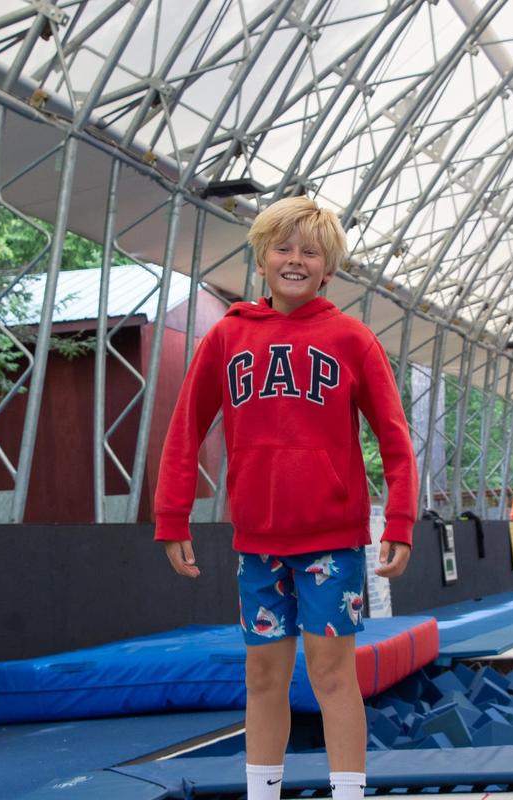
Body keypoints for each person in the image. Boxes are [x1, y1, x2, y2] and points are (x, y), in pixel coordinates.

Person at [154, 196, 418, 800]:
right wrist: (173, 516)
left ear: (329, 269)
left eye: (311, 251)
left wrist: (399, 522)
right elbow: (184, 431)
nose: (295, 259)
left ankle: (349, 793)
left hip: (332, 541)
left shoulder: (353, 339)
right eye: (283, 247)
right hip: (258, 543)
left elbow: (395, 440)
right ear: (261, 258)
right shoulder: (226, 337)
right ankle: (262, 793)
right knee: (262, 675)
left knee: (332, 674)